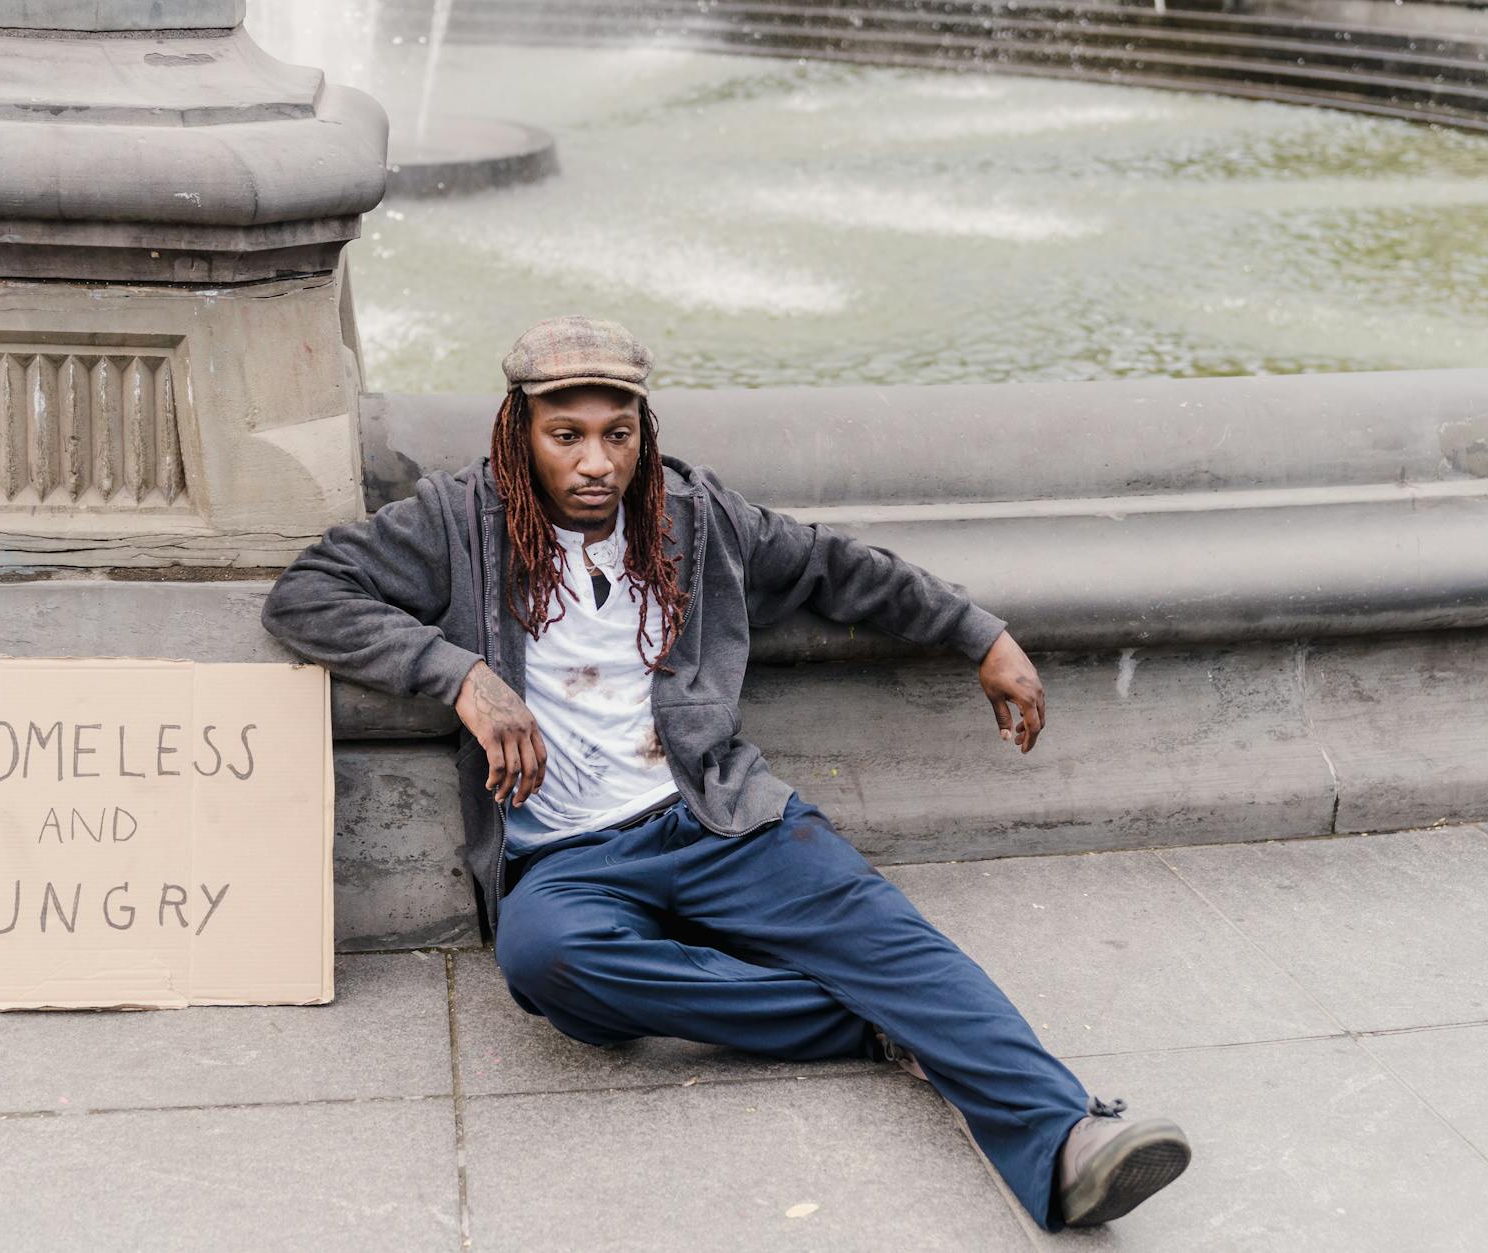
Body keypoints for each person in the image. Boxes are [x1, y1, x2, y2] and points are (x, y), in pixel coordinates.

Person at [261, 315, 1191, 1230]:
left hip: (715, 815)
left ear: (644, 431)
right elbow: (306, 594)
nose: (597, 463)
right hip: (567, 855)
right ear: (519, 433)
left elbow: (836, 567)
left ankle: (1066, 1137)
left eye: (617, 435)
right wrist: (461, 674)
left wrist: (978, 633)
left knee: (893, 939)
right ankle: (873, 1023)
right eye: (567, 436)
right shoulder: (456, 520)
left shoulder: (695, 517)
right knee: (547, 960)